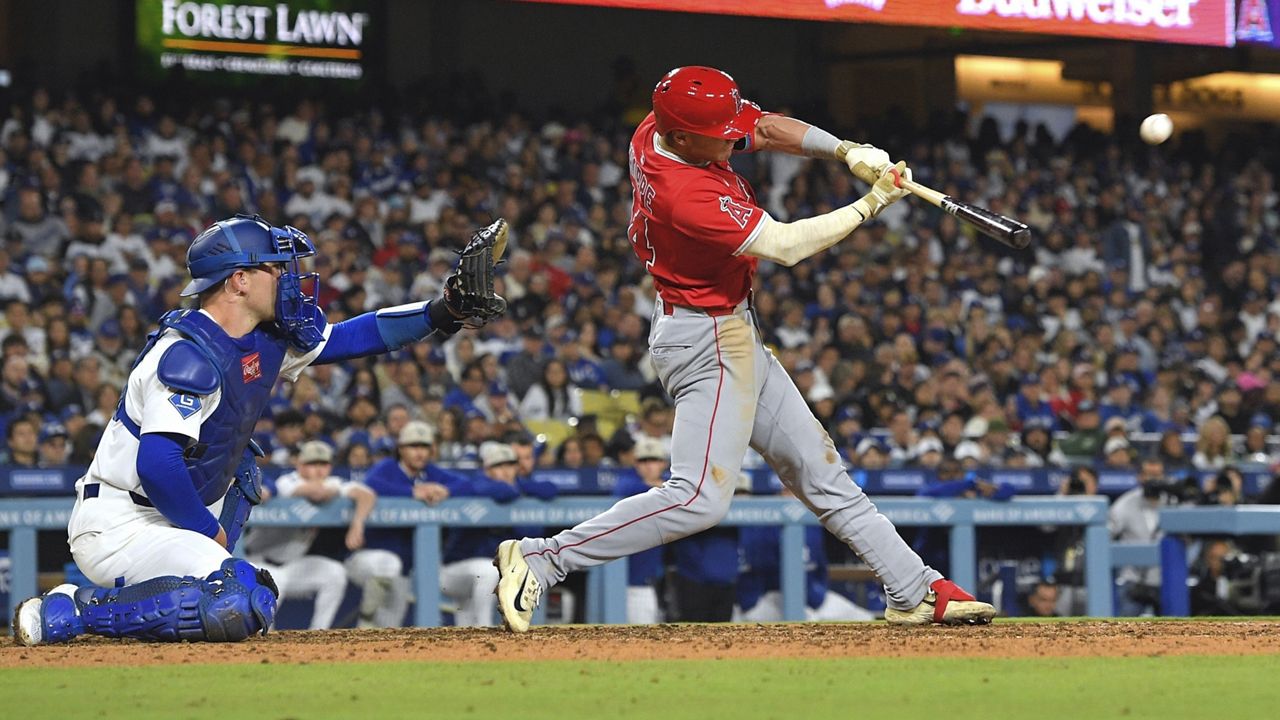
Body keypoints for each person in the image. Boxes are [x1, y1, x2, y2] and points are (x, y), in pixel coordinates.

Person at [495, 66, 994, 633]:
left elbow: (768, 129)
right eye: (721, 132)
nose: (735, 137)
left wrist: (846, 150)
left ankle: (913, 589)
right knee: (698, 498)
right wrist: (870, 204)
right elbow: (783, 245)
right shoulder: (683, 192)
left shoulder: (662, 128)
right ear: (681, 136)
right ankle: (544, 558)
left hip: (728, 327)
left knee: (822, 473)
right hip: (705, 337)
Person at [13, 214, 507, 646]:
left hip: (169, 521)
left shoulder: (260, 338)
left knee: (235, 585)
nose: (287, 277)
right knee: (241, 599)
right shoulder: (187, 353)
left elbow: (357, 336)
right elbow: (158, 464)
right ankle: (76, 613)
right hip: (123, 522)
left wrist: (446, 311)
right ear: (239, 281)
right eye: (273, 267)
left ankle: (137, 602)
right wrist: (211, 533)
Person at [241, 440, 374, 630]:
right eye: (312, 464)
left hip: (293, 565)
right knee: (265, 625)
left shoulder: (331, 482)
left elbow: (367, 495)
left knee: (335, 573)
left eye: (324, 464)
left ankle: (319, 633)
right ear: (300, 465)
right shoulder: (288, 479)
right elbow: (315, 492)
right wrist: (335, 490)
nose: (319, 470)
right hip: (259, 564)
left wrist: (358, 524)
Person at [439, 441, 557, 626]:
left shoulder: (518, 487)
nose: (506, 470)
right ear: (487, 469)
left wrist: (519, 487)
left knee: (465, 624)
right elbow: (501, 491)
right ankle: (484, 629)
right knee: (488, 571)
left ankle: (471, 646)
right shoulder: (477, 484)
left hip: (479, 575)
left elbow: (550, 489)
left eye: (510, 465)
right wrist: (517, 488)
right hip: (453, 570)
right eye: (499, 466)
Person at [612, 437, 671, 624]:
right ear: (636, 463)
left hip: (655, 576)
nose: (648, 466)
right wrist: (657, 488)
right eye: (643, 461)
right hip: (628, 579)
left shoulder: (672, 482)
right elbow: (623, 488)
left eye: (653, 460)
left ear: (663, 463)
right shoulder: (628, 482)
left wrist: (661, 487)